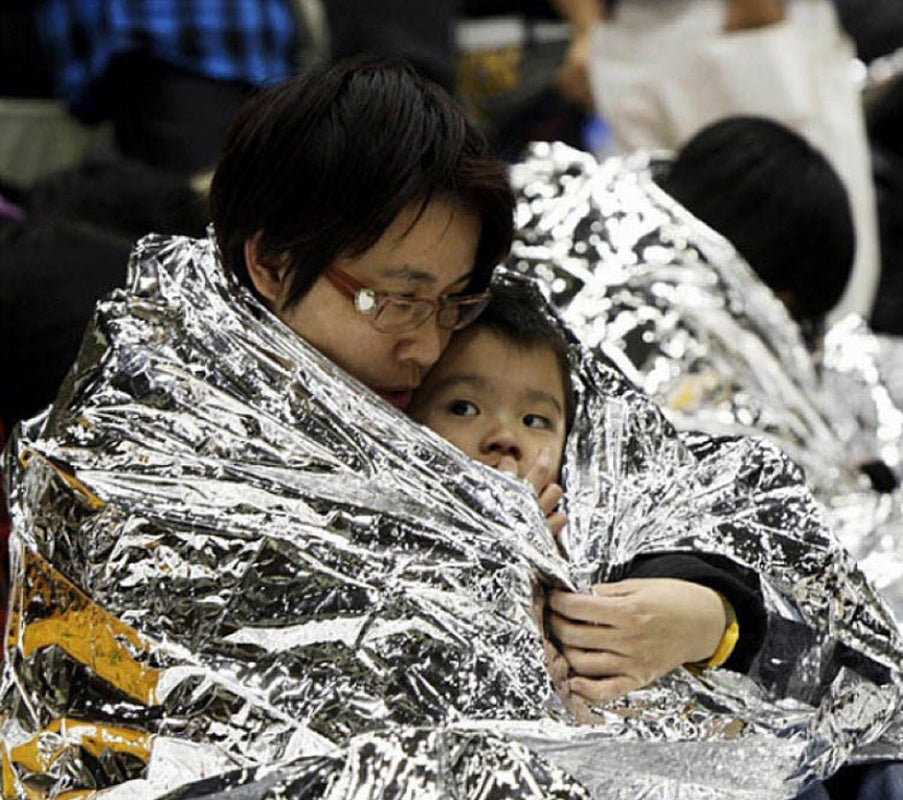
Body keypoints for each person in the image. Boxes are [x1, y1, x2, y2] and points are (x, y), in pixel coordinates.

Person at [409, 283, 766, 704]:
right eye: (463, 408)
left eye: (535, 420)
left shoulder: (585, 534)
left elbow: (673, 553)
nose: (506, 437)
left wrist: (707, 617)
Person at [551, 0, 880, 324]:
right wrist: (587, 27)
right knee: (641, 274)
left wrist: (755, 17)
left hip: (737, 25)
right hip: (627, 34)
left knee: (805, 266)